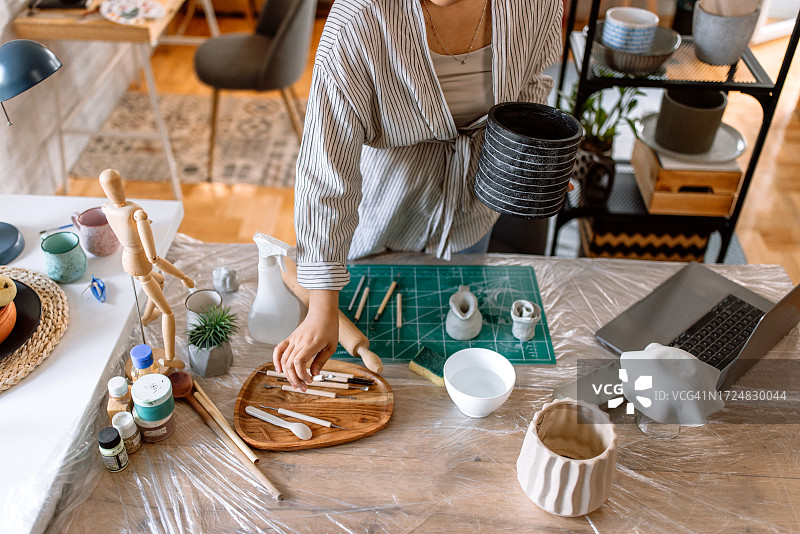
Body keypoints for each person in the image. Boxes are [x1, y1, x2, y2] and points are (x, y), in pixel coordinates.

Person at [274, 0, 563, 388]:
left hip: (472, 208)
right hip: (382, 215)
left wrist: (533, 154)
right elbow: (326, 173)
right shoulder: (358, 21)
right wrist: (323, 306)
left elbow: (532, 82)